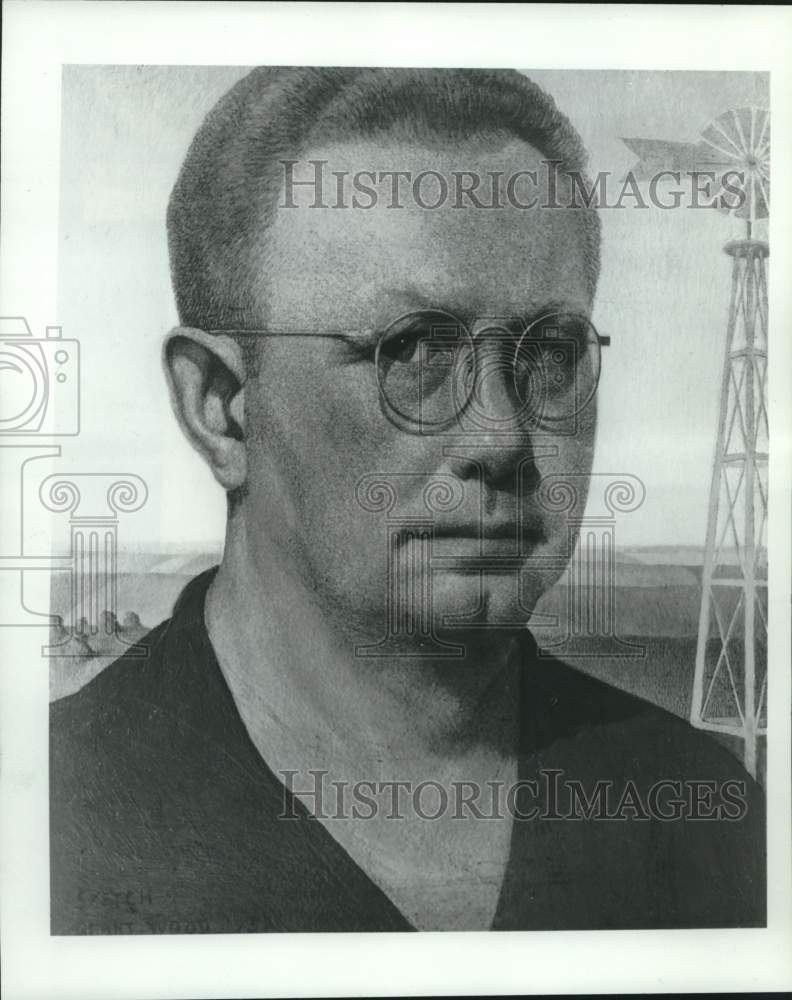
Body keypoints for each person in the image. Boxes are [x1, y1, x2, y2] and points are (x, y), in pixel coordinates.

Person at [50, 67, 764, 935]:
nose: (501, 437)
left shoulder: (708, 825)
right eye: (415, 349)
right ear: (223, 409)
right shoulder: (53, 824)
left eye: (551, 352)